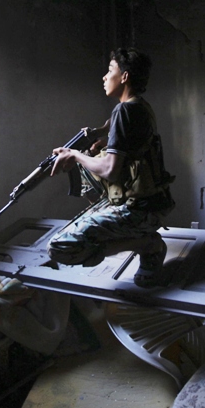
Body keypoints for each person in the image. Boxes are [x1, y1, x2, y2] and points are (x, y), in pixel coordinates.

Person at [47, 48, 176, 287]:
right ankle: (122, 224)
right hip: (155, 201)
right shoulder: (141, 106)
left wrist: (74, 155)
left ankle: (146, 244)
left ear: (124, 77)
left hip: (140, 211)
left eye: (110, 71)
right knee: (89, 157)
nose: (104, 77)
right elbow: (136, 152)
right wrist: (105, 145)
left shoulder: (124, 110)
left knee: (59, 248)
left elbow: (111, 171)